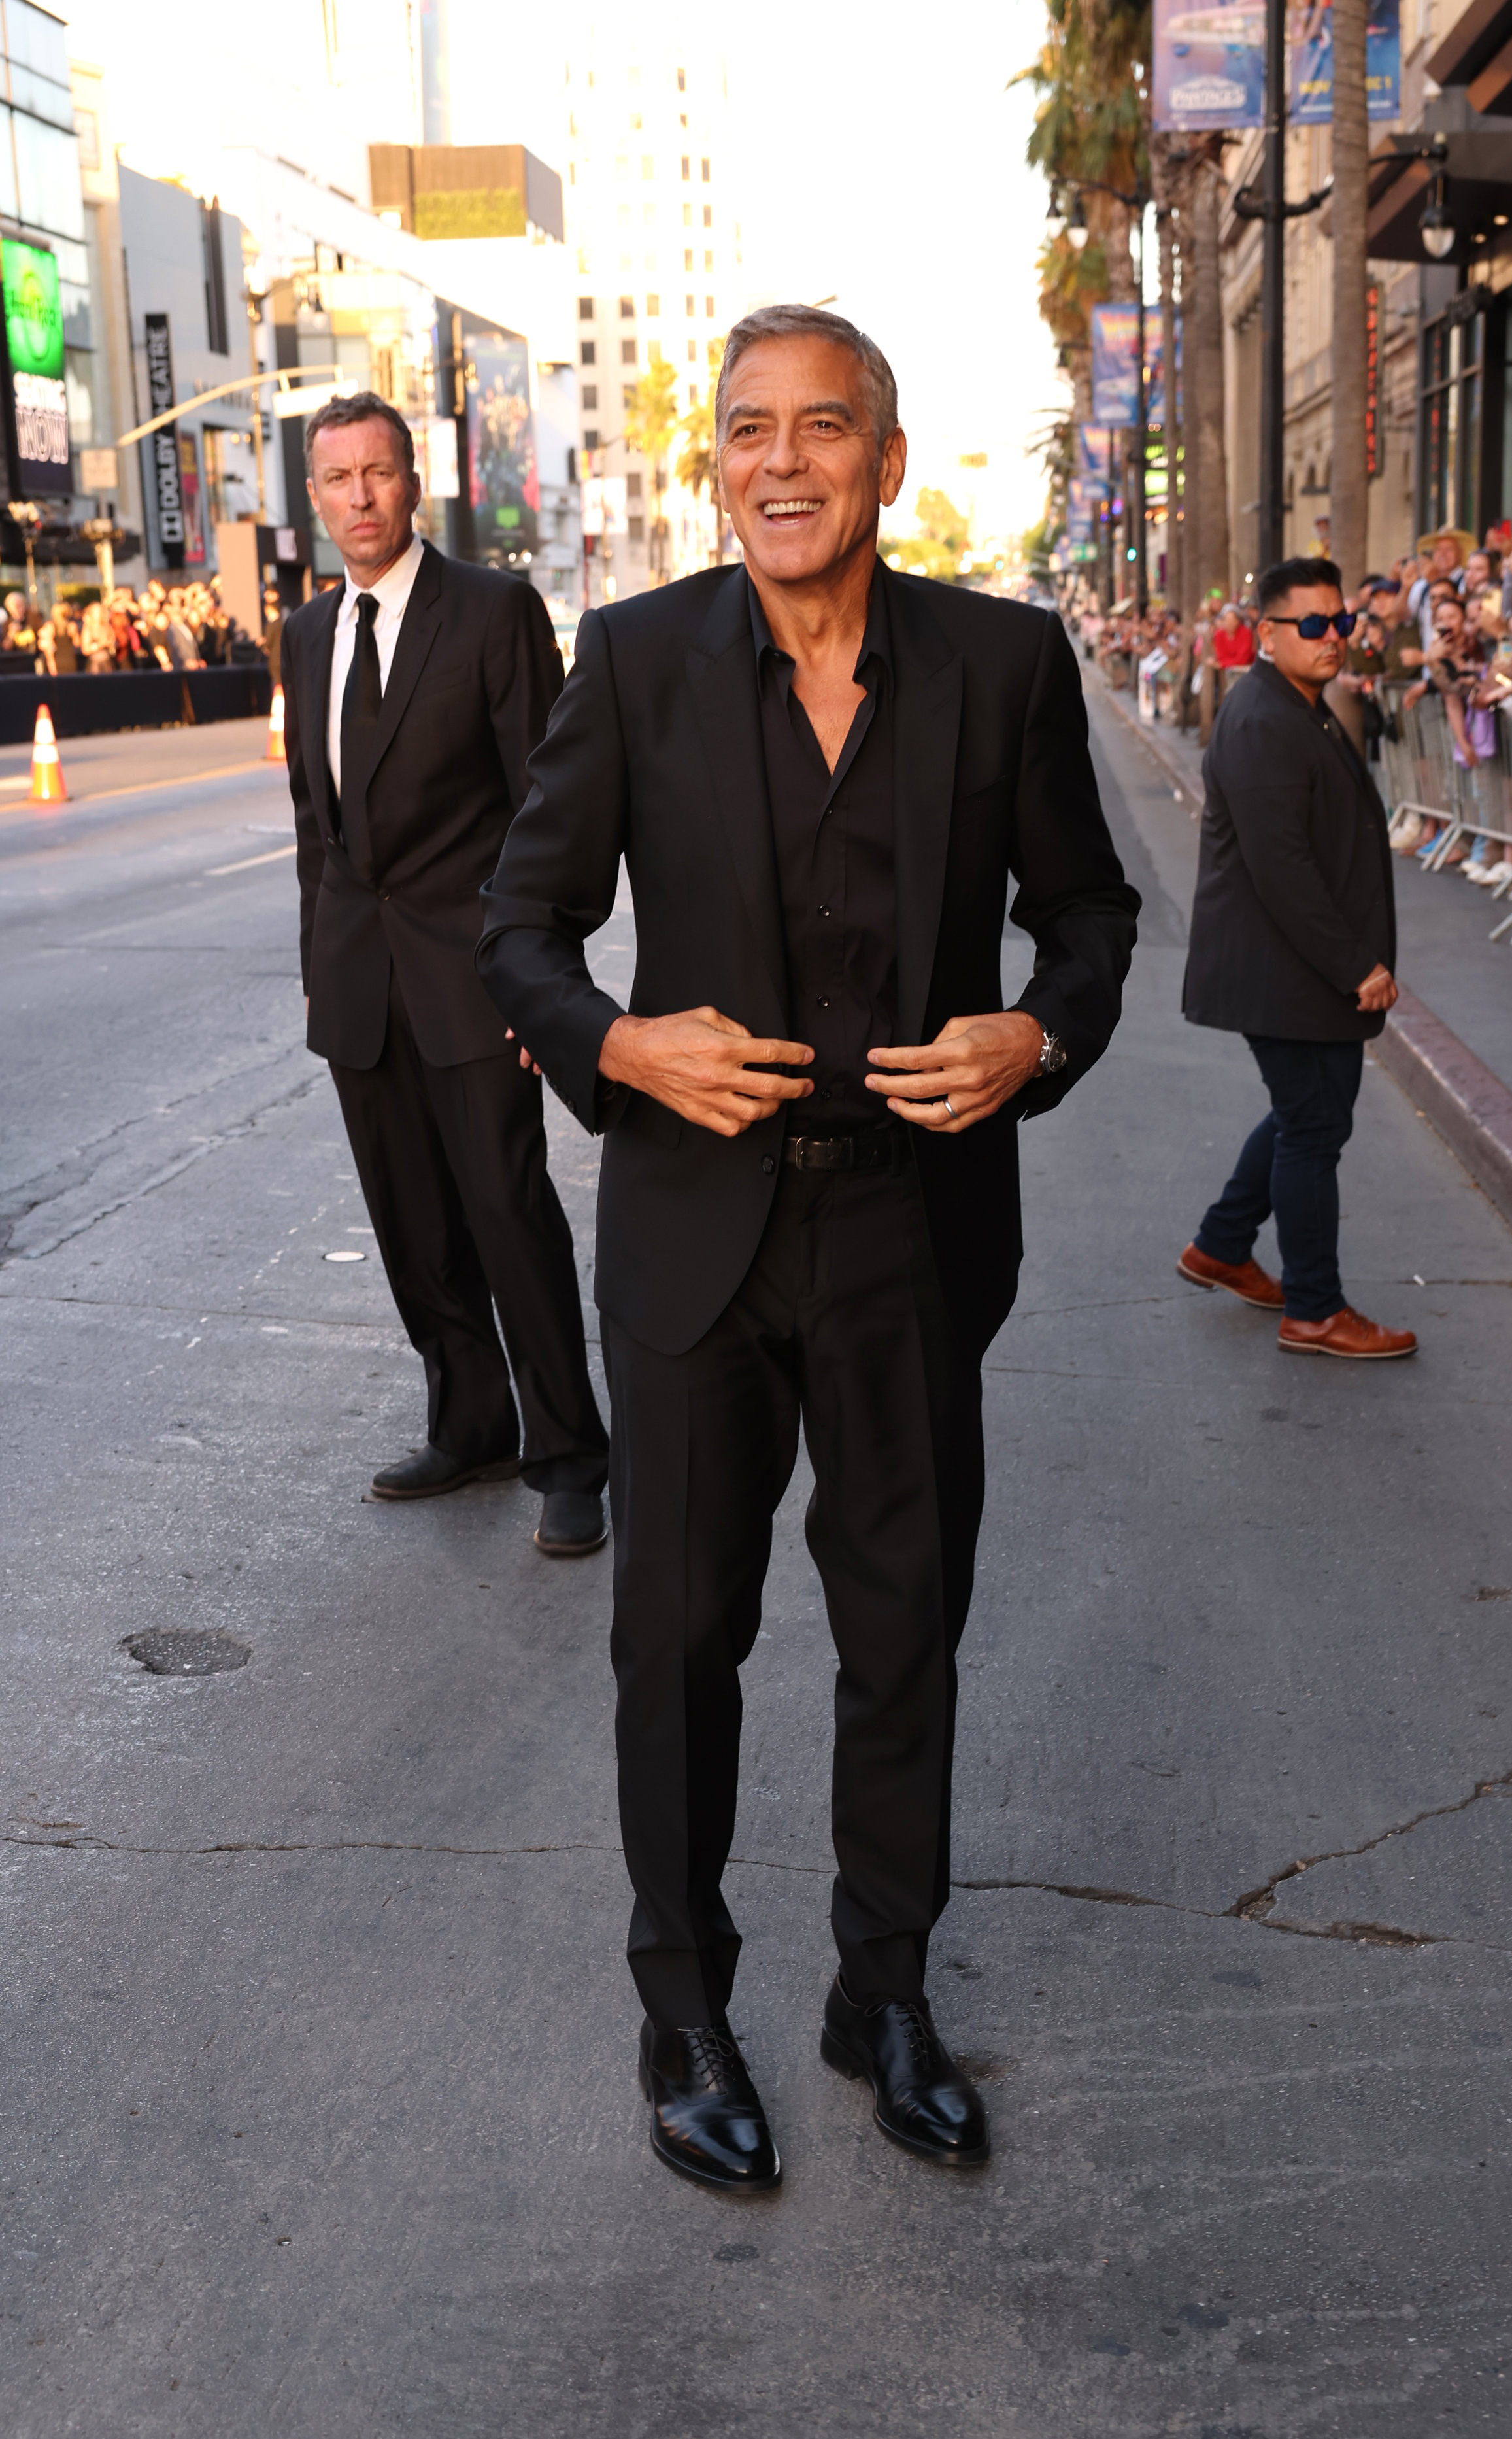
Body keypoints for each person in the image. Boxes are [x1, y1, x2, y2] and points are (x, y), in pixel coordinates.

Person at [478, 303, 1140, 2194]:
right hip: (693, 1225)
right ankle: (681, 2006)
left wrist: (1036, 1032)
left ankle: (883, 1989)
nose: (781, 460)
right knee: (676, 1637)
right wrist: (613, 1041)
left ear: (885, 461)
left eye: (822, 427)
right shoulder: (631, 661)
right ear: (714, 465)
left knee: (899, 1625)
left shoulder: (1001, 662)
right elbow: (515, 928)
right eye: (747, 429)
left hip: (912, 1223)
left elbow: (1085, 917)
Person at [282, 390, 609, 1556]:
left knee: (509, 1215)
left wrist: (543, 985)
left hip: (475, 979)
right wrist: (321, 972)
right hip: (359, 986)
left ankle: (570, 1455)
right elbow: (317, 829)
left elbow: (548, 806)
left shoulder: (493, 611)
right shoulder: (308, 633)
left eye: (378, 471)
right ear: (312, 498)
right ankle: (469, 1420)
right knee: (412, 1223)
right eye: (337, 479)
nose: (360, 496)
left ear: (412, 481)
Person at [1177, 554, 1415, 1362]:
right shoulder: (1260, 718)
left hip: (1293, 966)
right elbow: (1281, 868)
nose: (1332, 637)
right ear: (1266, 635)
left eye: (1340, 621)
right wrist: (1356, 964)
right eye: (1312, 625)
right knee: (1313, 1124)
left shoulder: (1299, 706)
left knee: (1304, 1115)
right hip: (1283, 967)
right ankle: (1314, 1308)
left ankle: (1221, 1244)